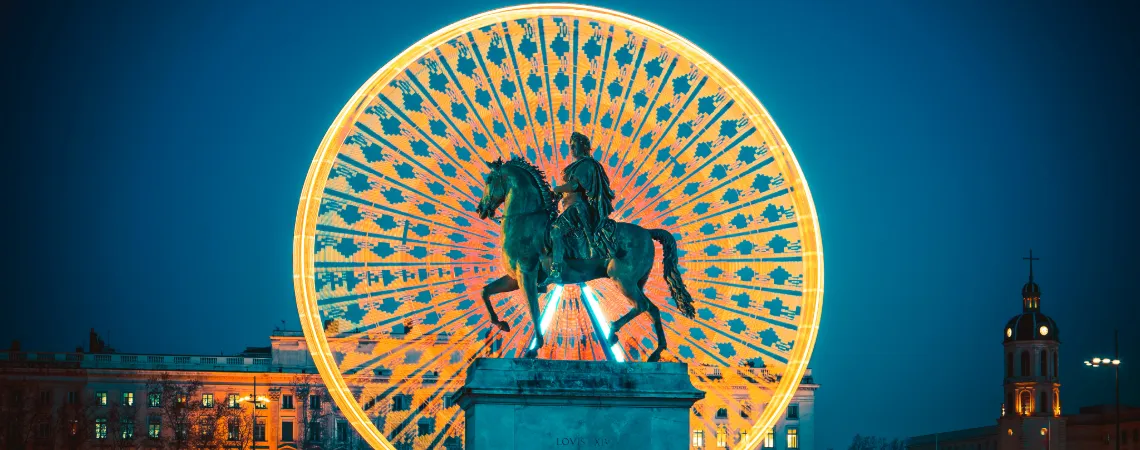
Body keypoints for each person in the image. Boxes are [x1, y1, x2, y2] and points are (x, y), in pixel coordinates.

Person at [547, 132, 615, 285]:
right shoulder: (579, 165)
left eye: (574, 146)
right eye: (570, 146)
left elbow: (574, 185)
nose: (571, 149)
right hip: (570, 208)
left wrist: (557, 189)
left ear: (583, 146)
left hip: (578, 208)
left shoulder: (586, 164)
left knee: (556, 230)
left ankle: (556, 270)